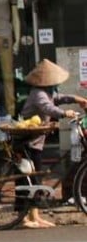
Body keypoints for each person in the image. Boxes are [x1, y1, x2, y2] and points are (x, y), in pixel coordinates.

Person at [19, 59, 87, 229]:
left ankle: (35, 217)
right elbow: (48, 108)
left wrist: (77, 99)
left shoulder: (48, 92)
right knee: (29, 178)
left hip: (36, 142)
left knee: (36, 178)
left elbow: (60, 98)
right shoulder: (39, 94)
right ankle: (24, 219)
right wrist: (65, 113)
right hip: (26, 141)